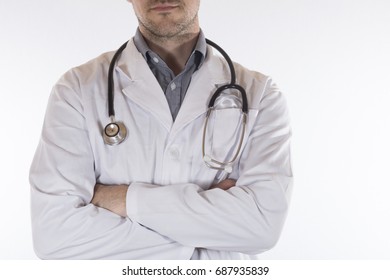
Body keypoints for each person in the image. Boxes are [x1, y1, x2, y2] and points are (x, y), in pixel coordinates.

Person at [30, 0, 293, 260]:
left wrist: (125, 199)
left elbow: (262, 227)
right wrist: (208, 239)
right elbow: (54, 235)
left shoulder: (260, 94)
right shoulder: (76, 89)